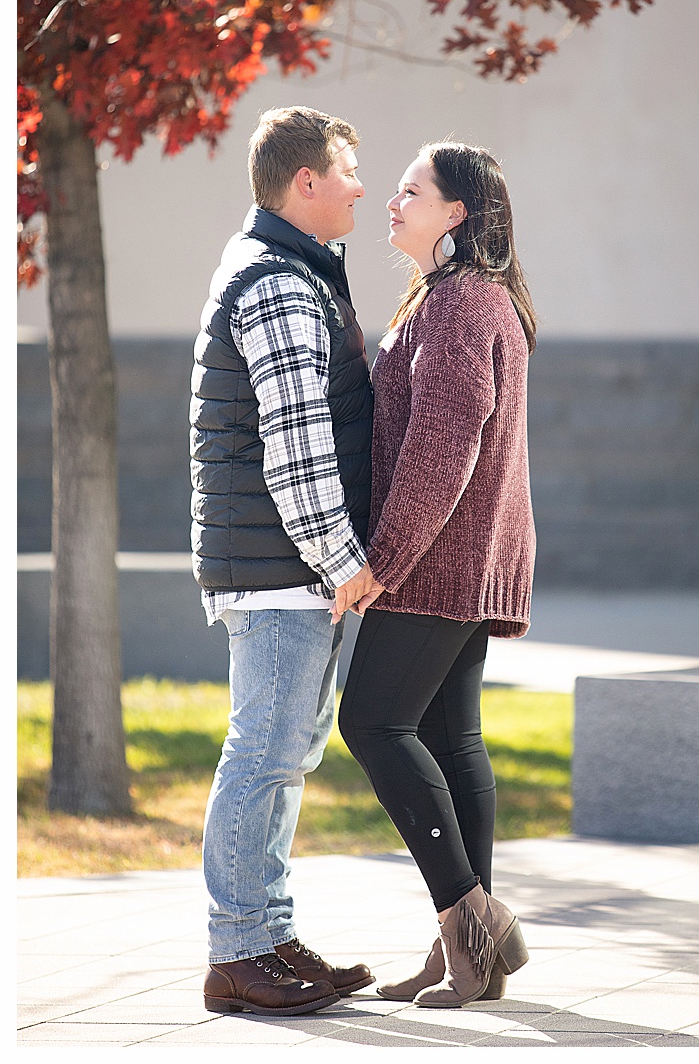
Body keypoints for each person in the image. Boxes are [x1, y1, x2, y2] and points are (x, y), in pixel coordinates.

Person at [333, 141, 537, 1008]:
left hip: (438, 560)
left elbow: (440, 457)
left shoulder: (458, 308)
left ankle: (469, 928)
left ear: (455, 212)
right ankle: (474, 947)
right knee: (452, 742)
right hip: (469, 556)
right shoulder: (460, 298)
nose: (393, 198)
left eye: (412, 190)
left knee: (374, 722)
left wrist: (381, 564)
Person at [192, 105, 385, 1015]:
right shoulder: (274, 281)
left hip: (285, 564)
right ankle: (237, 953)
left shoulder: (293, 270)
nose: (360, 186)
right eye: (347, 169)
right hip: (282, 568)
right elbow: (296, 445)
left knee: (285, 755)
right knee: (263, 753)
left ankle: (267, 933)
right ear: (303, 183)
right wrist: (342, 562)